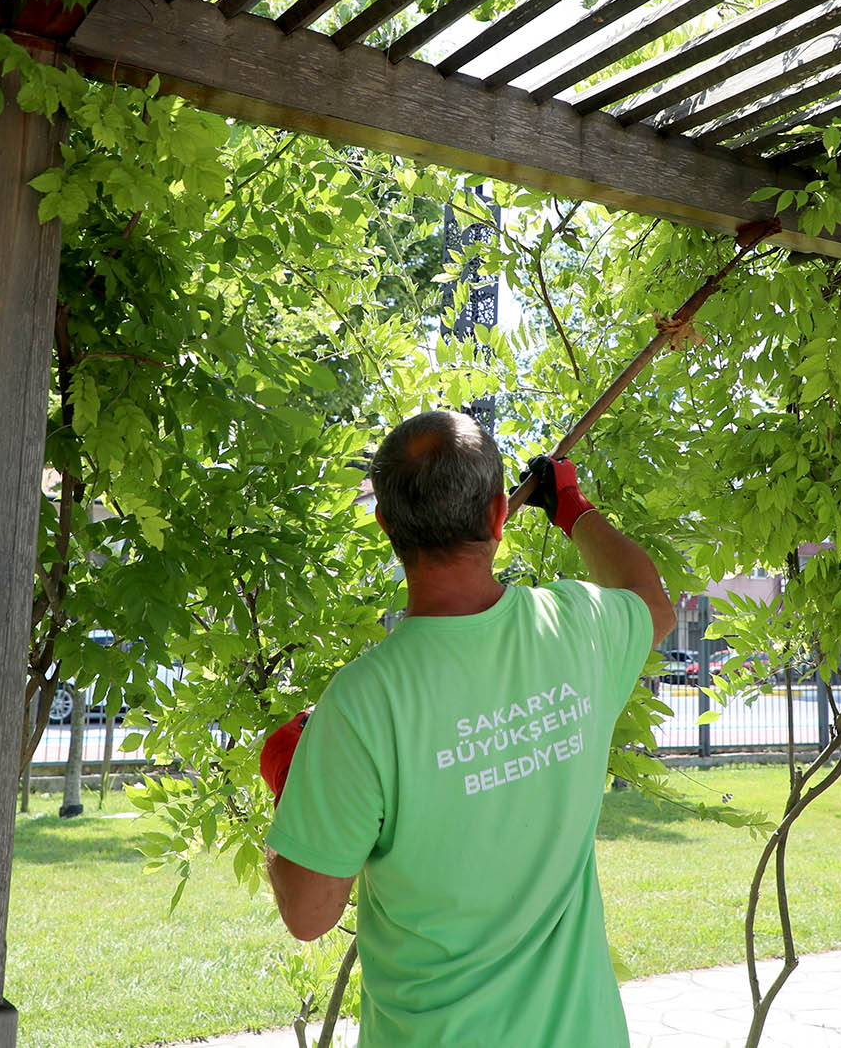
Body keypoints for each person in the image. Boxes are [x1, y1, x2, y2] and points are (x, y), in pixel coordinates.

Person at [261, 410, 675, 1045]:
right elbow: (652, 601)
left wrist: (299, 782)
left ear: (385, 527)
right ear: (496, 517)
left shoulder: (363, 703)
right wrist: (573, 507)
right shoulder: (576, 625)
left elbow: (310, 913)